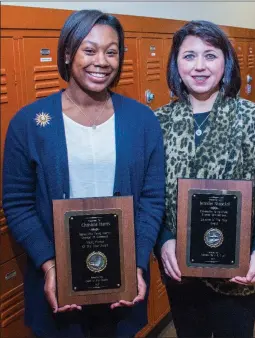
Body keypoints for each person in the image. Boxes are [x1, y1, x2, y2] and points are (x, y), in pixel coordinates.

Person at [2, 9, 165, 338]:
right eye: (89, 50)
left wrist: (135, 263)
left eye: (111, 51)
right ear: (67, 53)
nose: (101, 61)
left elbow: (152, 198)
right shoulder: (29, 123)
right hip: (59, 280)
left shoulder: (142, 121)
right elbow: (17, 202)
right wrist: (49, 264)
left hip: (121, 278)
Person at [154, 20, 255, 338]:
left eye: (210, 55)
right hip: (180, 269)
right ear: (176, 63)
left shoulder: (253, 118)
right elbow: (150, 195)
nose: (199, 66)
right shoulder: (158, 122)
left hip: (236, 269)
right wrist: (164, 240)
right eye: (189, 56)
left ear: (226, 61)